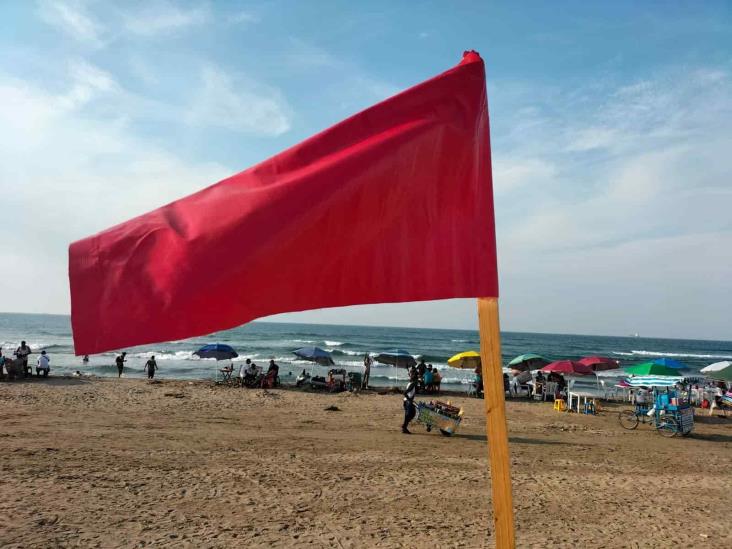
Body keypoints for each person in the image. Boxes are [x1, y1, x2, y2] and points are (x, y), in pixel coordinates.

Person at [401, 367, 419, 434]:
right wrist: (409, 400)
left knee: (408, 415)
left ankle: (404, 426)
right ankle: (404, 427)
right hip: (408, 402)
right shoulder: (412, 384)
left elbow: (412, 376)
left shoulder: (411, 382)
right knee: (412, 414)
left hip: (406, 401)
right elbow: (405, 393)